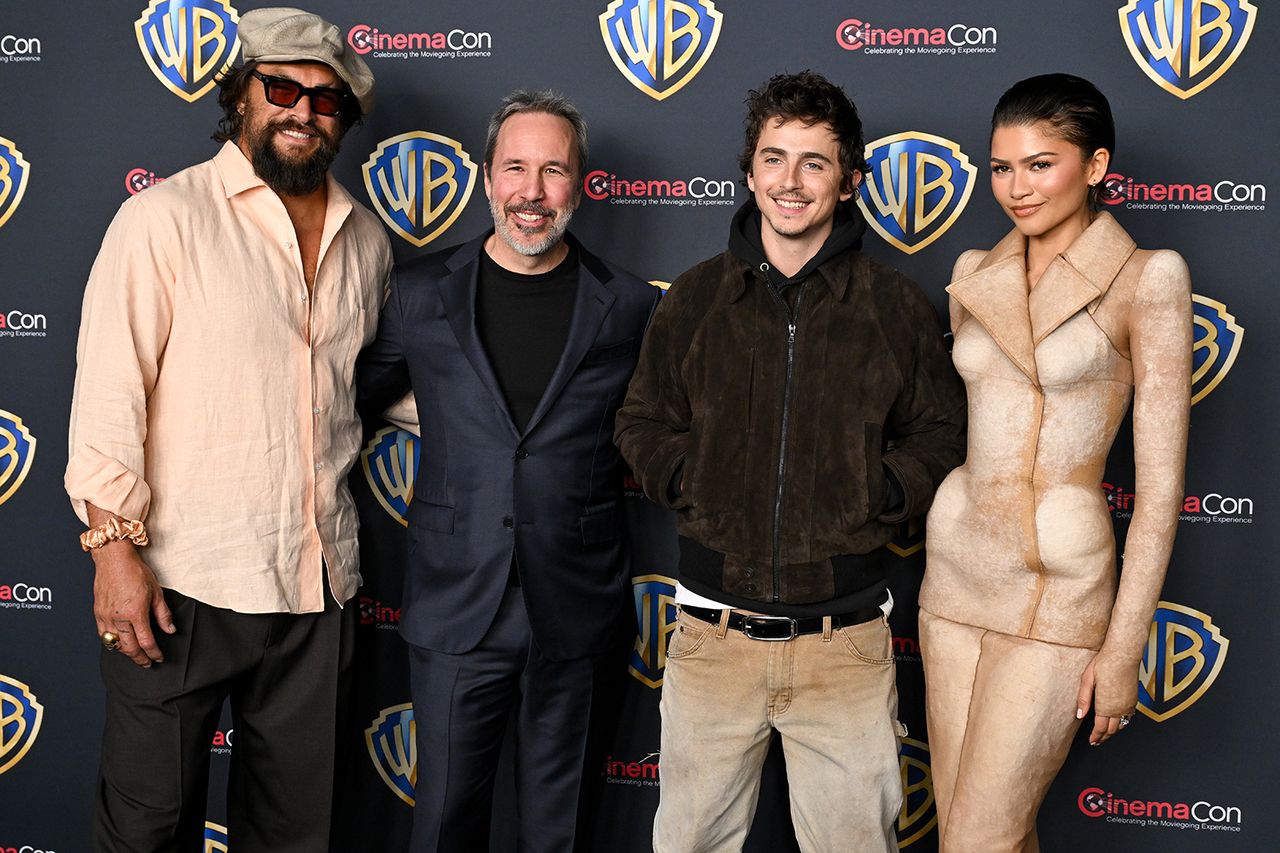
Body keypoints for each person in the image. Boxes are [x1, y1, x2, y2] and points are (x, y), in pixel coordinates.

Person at [64, 8, 390, 851]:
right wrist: (112, 555)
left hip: (318, 583)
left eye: (326, 102)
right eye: (281, 89)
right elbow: (108, 397)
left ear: (344, 121)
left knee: (296, 833)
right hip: (179, 580)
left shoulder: (368, 242)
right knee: (146, 827)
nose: (302, 112)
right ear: (239, 98)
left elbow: (377, 385)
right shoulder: (164, 219)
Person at [615, 71, 966, 853]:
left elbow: (942, 438)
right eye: (775, 158)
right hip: (712, 638)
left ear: (849, 180)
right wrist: (690, 476)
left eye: (815, 162)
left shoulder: (895, 307)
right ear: (749, 172)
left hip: (844, 646)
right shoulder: (696, 300)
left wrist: (874, 488)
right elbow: (640, 421)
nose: (791, 181)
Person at [355, 89, 659, 853]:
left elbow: (653, 422)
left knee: (559, 830)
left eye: (553, 171)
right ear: (486, 178)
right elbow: (351, 396)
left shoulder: (625, 304)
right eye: (515, 168)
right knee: (445, 820)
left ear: (580, 184)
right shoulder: (422, 292)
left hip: (576, 602)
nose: (532, 191)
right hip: (460, 604)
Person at [919, 73, 1192, 852]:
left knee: (978, 839)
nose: (1016, 187)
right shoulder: (973, 271)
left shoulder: (1149, 278)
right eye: (1002, 167)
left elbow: (1163, 488)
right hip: (956, 575)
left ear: (1097, 165)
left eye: (1041, 164)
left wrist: (1124, 644)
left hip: (1059, 594)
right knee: (971, 835)